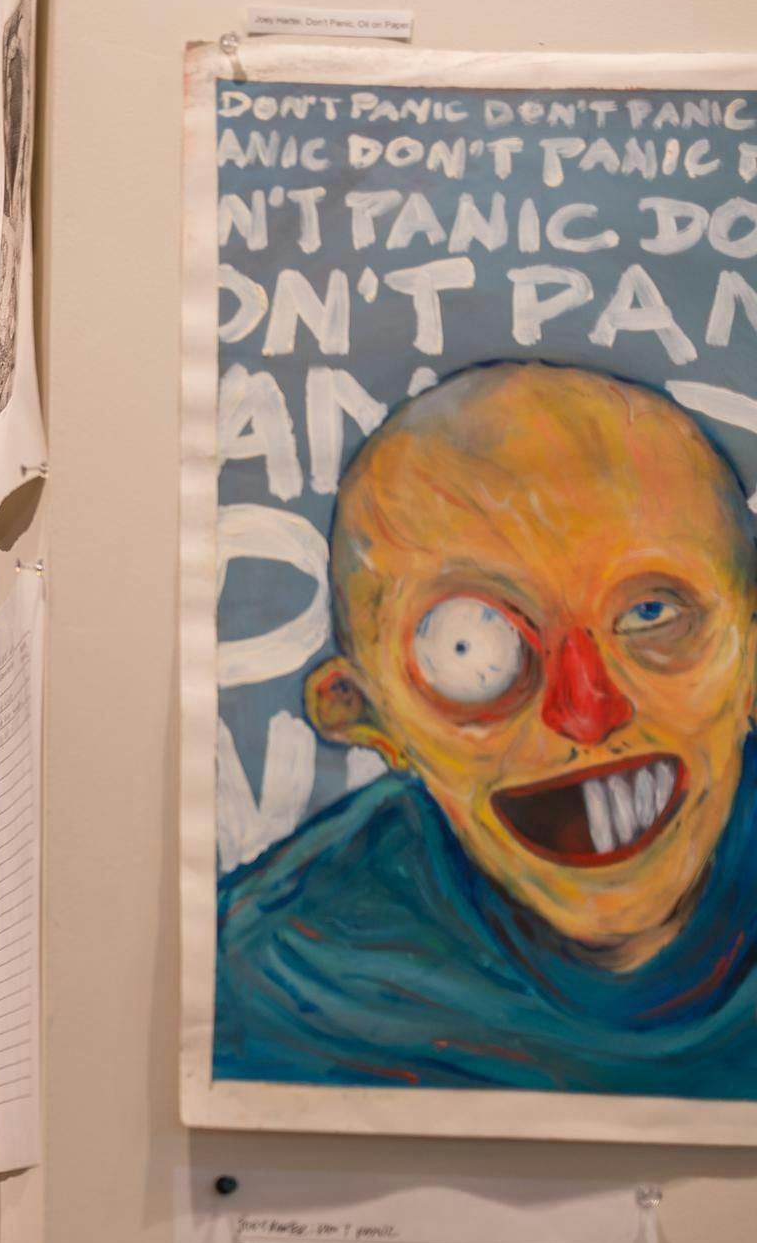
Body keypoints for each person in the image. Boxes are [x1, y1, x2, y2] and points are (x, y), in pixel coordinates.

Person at [216, 362, 757, 1097]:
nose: (585, 712)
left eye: (654, 615)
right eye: (470, 648)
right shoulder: (272, 981)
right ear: (366, 715)